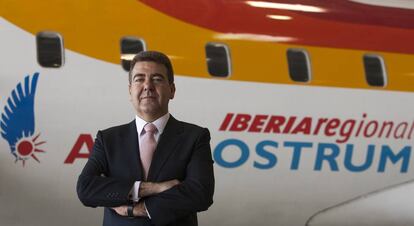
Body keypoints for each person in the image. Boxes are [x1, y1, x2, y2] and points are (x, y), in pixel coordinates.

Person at [77, 51, 215, 226]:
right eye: (139, 79)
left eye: (157, 79)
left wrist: (136, 209)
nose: (147, 86)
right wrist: (151, 188)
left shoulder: (195, 137)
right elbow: (86, 189)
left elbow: (200, 194)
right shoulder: (108, 139)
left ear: (172, 90)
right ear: (130, 90)